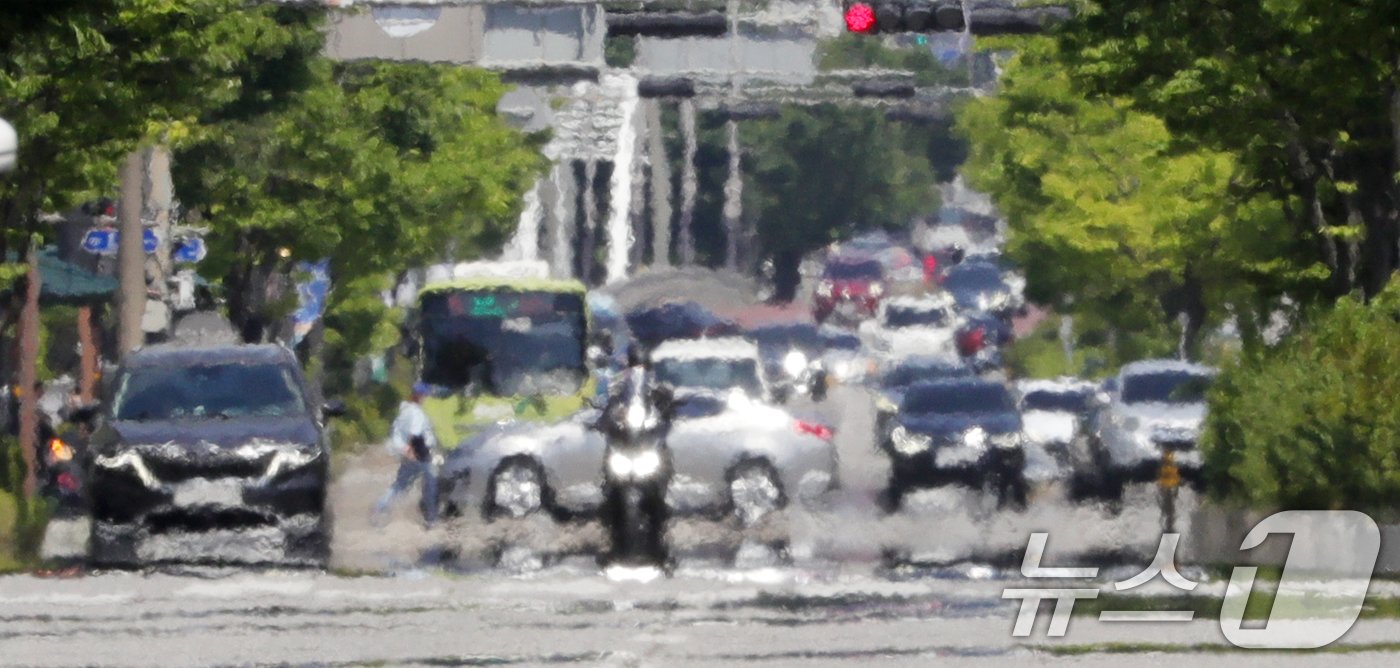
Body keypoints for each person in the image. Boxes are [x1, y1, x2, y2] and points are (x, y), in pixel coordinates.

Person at [371, 382, 440, 527]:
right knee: (431, 484)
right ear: (420, 395)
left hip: (405, 450)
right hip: (419, 451)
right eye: (425, 394)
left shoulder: (405, 410)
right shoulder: (417, 413)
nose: (427, 397)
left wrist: (405, 451)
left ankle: (379, 508)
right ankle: (431, 519)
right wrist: (411, 451)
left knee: (400, 484)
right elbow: (414, 434)